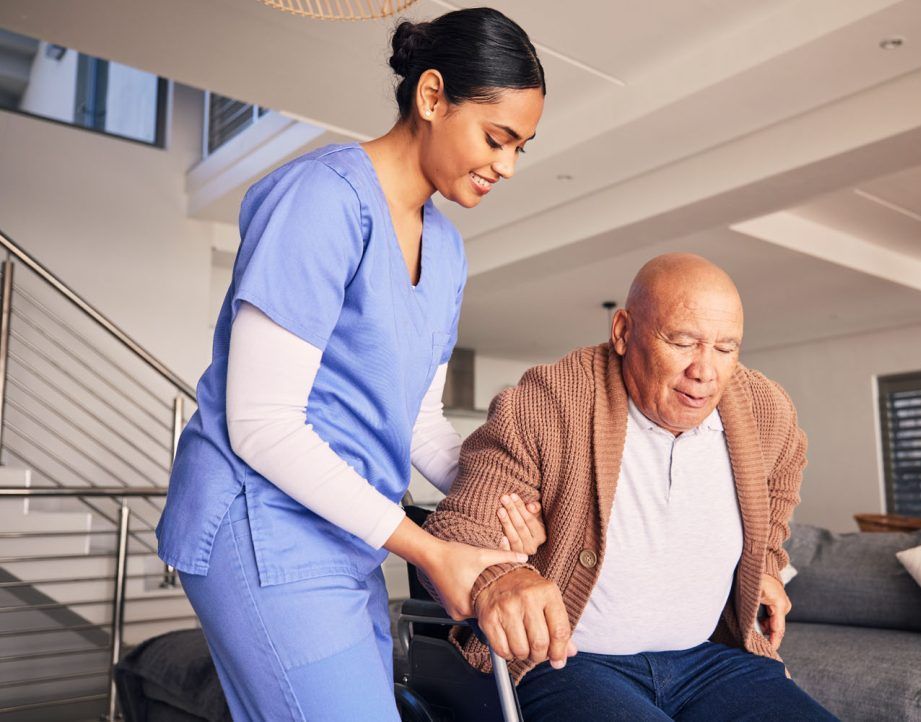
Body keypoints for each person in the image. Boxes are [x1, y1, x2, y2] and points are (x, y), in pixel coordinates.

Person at [155, 8, 546, 720]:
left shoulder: (449, 249)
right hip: (259, 522)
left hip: (350, 532)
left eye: (522, 147)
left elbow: (417, 419)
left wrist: (496, 495)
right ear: (432, 97)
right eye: (497, 138)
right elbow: (262, 424)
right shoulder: (321, 200)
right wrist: (430, 551)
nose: (507, 166)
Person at [421, 254, 838, 720]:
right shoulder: (550, 401)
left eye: (726, 348)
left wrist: (764, 562)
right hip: (569, 662)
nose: (705, 371)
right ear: (622, 332)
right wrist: (503, 578)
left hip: (709, 659)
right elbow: (459, 529)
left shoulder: (765, 408)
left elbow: (782, 473)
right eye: (682, 342)